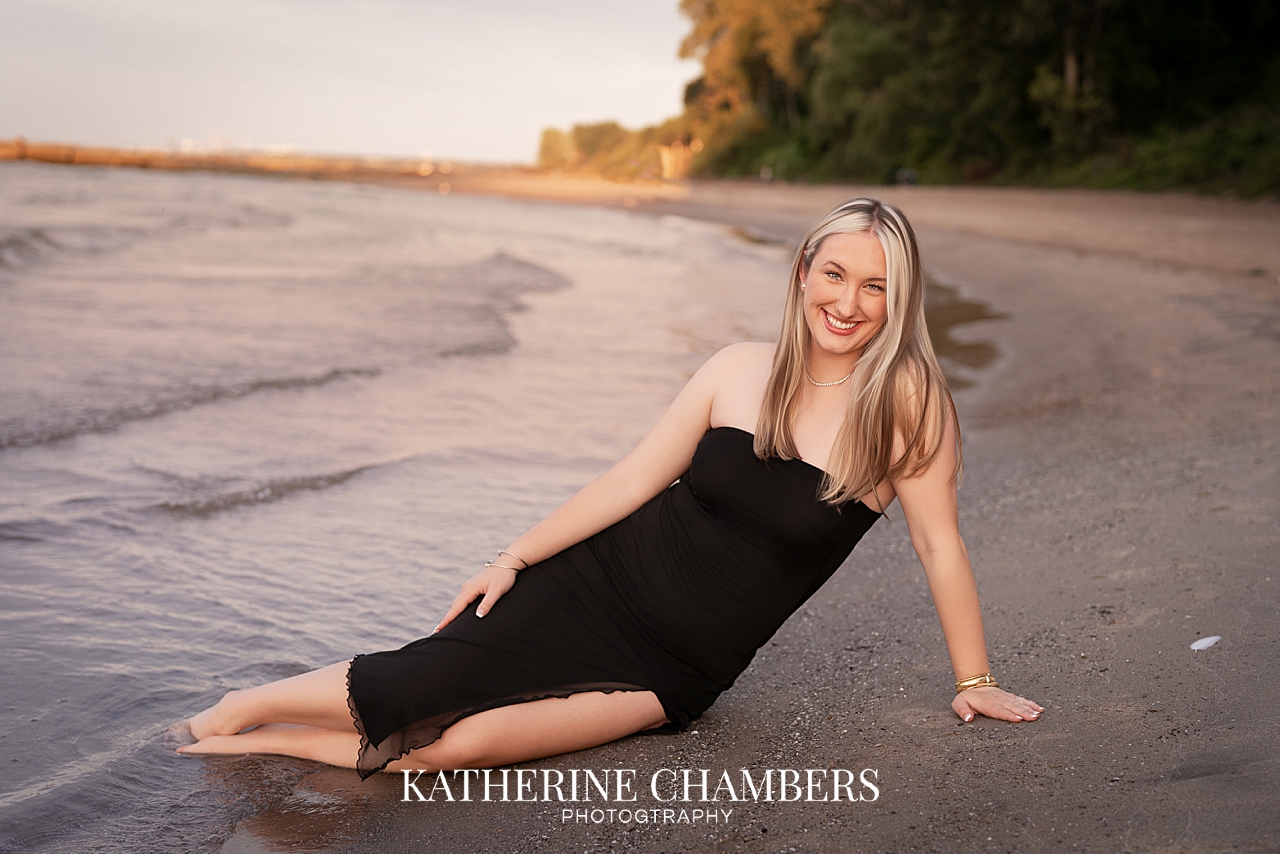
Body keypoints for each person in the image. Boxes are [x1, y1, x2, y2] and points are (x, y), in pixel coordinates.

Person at [177, 198, 1043, 778]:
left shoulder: (911, 411)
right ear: (803, 274)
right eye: (834, 275)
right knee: (421, 683)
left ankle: (272, 743)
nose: (848, 303)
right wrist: (511, 558)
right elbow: (632, 479)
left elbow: (940, 544)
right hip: (595, 583)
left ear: (900, 301)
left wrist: (973, 680)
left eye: (875, 287)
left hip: (676, 669)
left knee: (452, 750)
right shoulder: (739, 369)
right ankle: (240, 713)